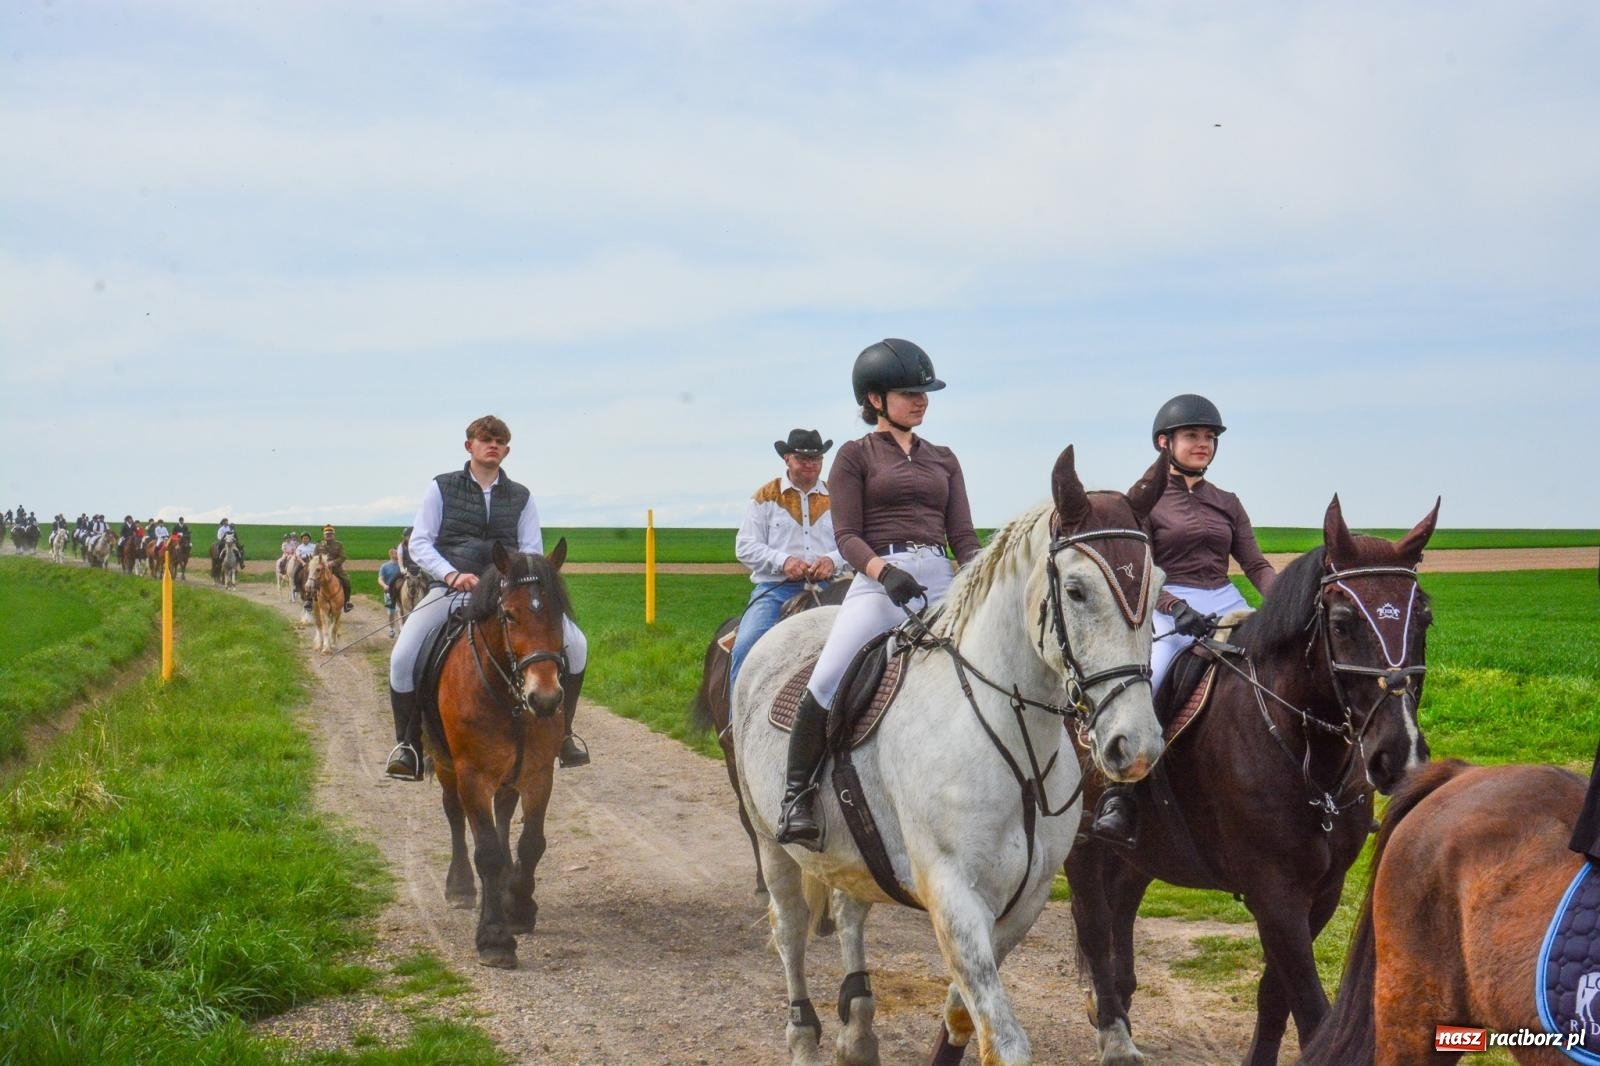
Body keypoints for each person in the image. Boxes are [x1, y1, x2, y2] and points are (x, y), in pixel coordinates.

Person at [776, 339, 982, 849]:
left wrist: (981, 579)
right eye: (909, 392)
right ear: (874, 400)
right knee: (827, 677)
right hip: (877, 581)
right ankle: (797, 795)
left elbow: (964, 538)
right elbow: (845, 535)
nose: (921, 401)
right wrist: (883, 571)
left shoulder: (945, 459)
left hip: (939, 579)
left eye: (925, 392)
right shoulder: (854, 456)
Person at [1089, 393, 1279, 846]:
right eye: (1193, 435)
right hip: (1165, 603)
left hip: (1223, 597)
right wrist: (1174, 607)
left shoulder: (1227, 501)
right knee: (1150, 676)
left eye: (1210, 437)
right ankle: (1121, 794)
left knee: (1281, 667)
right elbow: (1137, 569)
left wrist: (1286, 602)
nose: (1204, 444)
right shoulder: (1141, 502)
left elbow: (1254, 564)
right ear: (1164, 442)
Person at [384, 414, 591, 781]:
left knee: (577, 644)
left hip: (508, 596)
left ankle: (564, 734)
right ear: (470, 446)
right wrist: (451, 573)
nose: (492, 444)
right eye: (485, 439)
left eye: (499, 441)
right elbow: (419, 541)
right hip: (450, 589)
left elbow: (530, 550)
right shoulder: (442, 487)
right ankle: (409, 745)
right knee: (403, 655)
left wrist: (513, 583)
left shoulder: (521, 496)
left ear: (506, 450)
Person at [728, 428, 846, 687]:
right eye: (803, 459)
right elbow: (745, 546)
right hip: (775, 590)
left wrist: (831, 560)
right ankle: (735, 723)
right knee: (746, 645)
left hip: (831, 588)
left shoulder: (837, 498)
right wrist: (784, 561)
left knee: (864, 643)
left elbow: (851, 543)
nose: (811, 465)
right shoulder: (765, 497)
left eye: (816, 459)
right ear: (787, 460)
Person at [305, 524, 355, 614]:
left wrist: (333, 563)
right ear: (324, 535)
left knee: (346, 581)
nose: (328, 535)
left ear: (333, 535)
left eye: (330, 534)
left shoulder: (339, 545)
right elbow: (314, 557)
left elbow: (343, 557)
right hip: (321, 569)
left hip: (336, 569)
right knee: (312, 581)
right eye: (326, 534)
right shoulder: (318, 545)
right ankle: (309, 601)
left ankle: (346, 603)